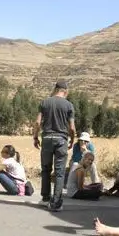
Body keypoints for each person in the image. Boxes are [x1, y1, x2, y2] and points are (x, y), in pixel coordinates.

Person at [34, 80, 76, 212]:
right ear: (66, 91)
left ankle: (45, 198)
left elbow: (37, 122)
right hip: (61, 140)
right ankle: (56, 202)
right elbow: (72, 127)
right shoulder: (69, 105)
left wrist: (35, 137)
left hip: (46, 138)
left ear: (55, 89)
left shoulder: (45, 102)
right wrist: (72, 139)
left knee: (45, 169)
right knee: (59, 173)